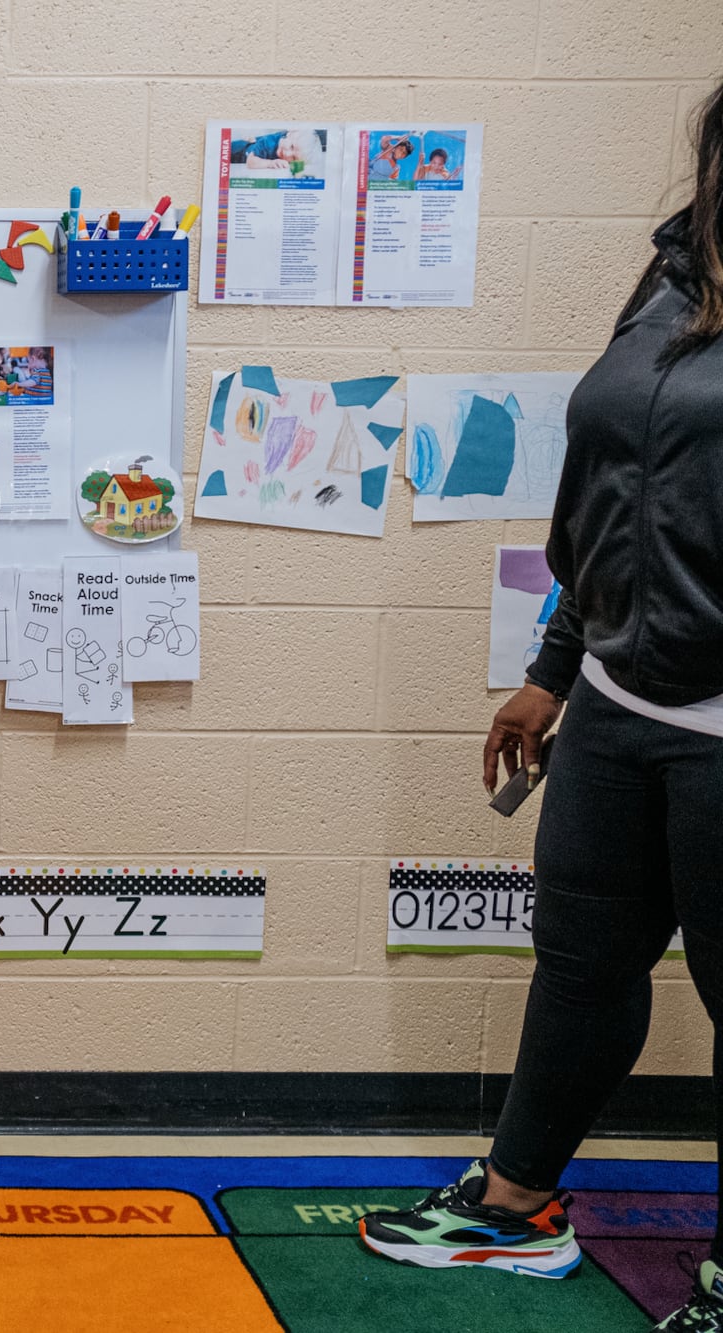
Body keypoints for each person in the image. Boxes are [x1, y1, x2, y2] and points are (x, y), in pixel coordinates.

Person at [361, 81, 723, 1331]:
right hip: (620, 698)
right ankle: (511, 1208)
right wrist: (553, 664)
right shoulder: (668, 279)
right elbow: (607, 488)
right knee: (576, 964)